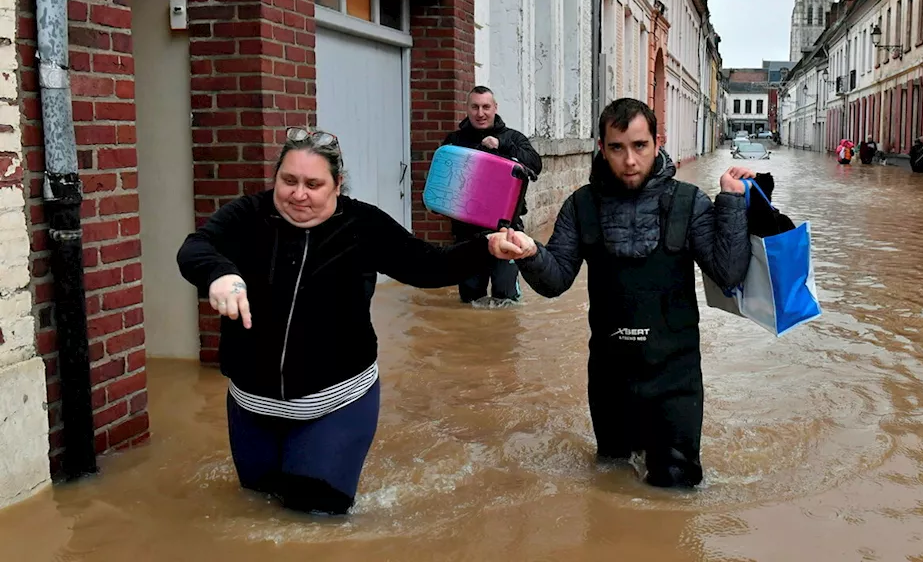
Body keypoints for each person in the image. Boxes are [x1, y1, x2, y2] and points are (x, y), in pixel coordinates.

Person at [176, 127, 534, 516]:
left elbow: (426, 266)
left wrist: (486, 248)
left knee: (313, 518)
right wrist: (219, 273)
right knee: (254, 509)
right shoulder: (248, 215)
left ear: (337, 184)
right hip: (251, 408)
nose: (299, 194)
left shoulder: (363, 225)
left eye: (314, 184)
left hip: (335, 405)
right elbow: (196, 247)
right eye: (288, 180)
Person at [510, 98, 754, 489]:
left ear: (658, 143)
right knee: (610, 483)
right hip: (610, 379)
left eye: (639, 146)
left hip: (675, 379)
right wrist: (529, 252)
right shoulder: (581, 205)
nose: (629, 161)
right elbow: (555, 282)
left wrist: (731, 201)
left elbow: (728, 274)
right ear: (601, 148)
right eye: (617, 148)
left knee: (676, 489)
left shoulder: (689, 203)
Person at [442, 86, 543, 306]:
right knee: (469, 300)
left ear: (495, 108)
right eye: (475, 107)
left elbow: (536, 164)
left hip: (506, 229)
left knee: (506, 299)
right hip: (467, 233)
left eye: (486, 107)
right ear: (467, 109)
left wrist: (502, 145)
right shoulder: (455, 140)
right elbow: (442, 179)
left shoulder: (513, 138)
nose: (480, 113)